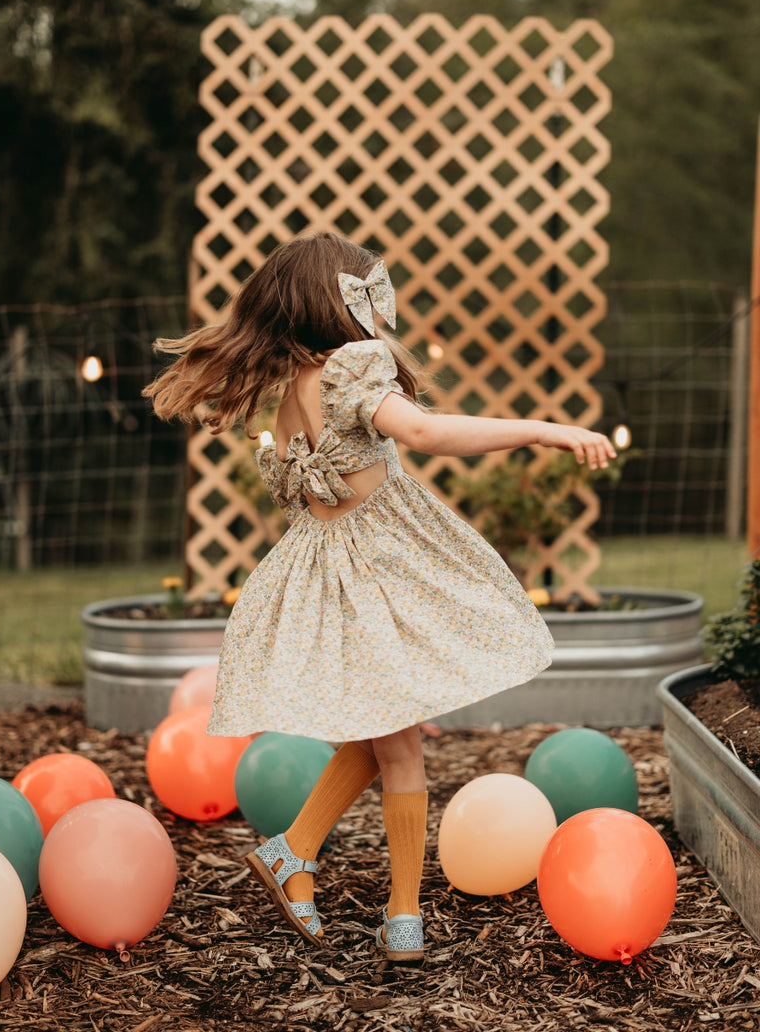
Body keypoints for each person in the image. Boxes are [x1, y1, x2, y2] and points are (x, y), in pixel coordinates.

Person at [143, 232, 616, 961]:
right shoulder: (350, 369)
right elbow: (424, 432)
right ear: (339, 304)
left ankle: (296, 852)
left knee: (385, 730)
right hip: (375, 580)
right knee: (401, 750)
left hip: (332, 581)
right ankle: (401, 914)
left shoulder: (292, 397)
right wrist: (543, 430)